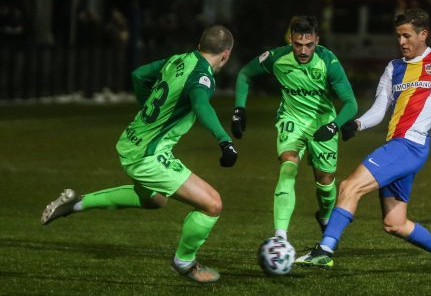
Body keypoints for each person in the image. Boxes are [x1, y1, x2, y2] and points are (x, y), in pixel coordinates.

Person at [295, 9, 431, 276]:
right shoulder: (394, 68)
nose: (401, 42)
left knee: (349, 186)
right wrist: (357, 124)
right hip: (400, 148)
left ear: (423, 34)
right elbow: (380, 108)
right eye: (398, 36)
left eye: (407, 35)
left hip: (409, 146)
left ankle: (325, 251)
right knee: (394, 223)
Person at [40, 25, 237, 284]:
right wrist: (225, 141)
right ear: (226, 55)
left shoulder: (179, 59)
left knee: (155, 199)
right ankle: (184, 262)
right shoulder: (203, 76)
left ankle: (74, 203)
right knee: (212, 204)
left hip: (133, 141)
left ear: (199, 45)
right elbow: (201, 104)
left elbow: (139, 74)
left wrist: (148, 109)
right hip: (148, 155)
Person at [231, 16, 358, 241]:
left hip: (322, 123)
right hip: (291, 121)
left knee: (326, 183)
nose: (303, 50)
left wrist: (333, 126)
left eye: (308, 45)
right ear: (291, 39)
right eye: (298, 44)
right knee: (288, 167)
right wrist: (239, 109)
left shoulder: (328, 61)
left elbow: (351, 103)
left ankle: (325, 216)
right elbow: (245, 75)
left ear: (317, 40)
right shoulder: (277, 57)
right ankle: (280, 236)